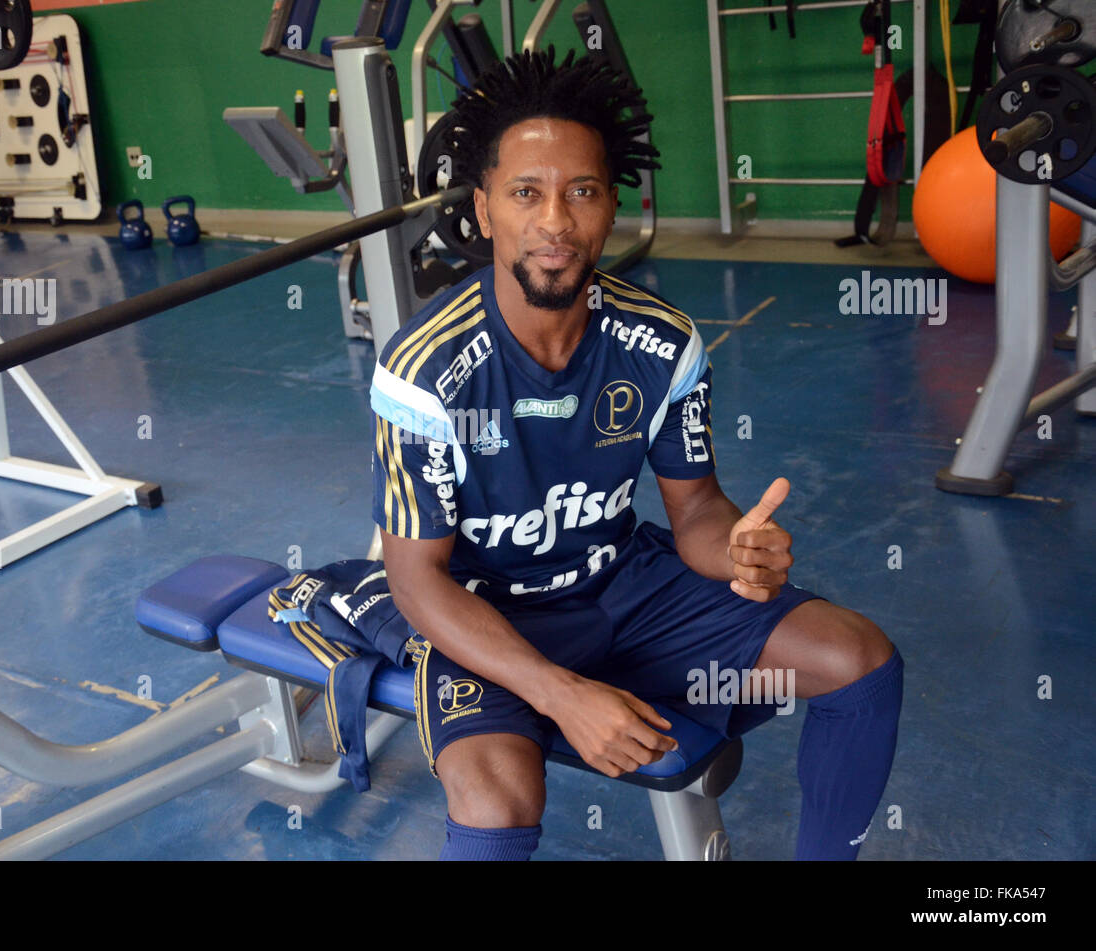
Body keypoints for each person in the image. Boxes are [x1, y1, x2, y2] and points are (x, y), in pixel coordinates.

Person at [369, 48, 903, 861]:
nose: (555, 220)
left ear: (611, 204)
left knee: (858, 659)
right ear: (483, 211)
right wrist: (564, 694)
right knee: (493, 794)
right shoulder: (425, 370)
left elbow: (695, 511)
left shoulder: (661, 343)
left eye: (580, 191)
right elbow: (416, 579)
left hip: (622, 585)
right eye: (526, 193)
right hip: (489, 613)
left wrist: (735, 550)